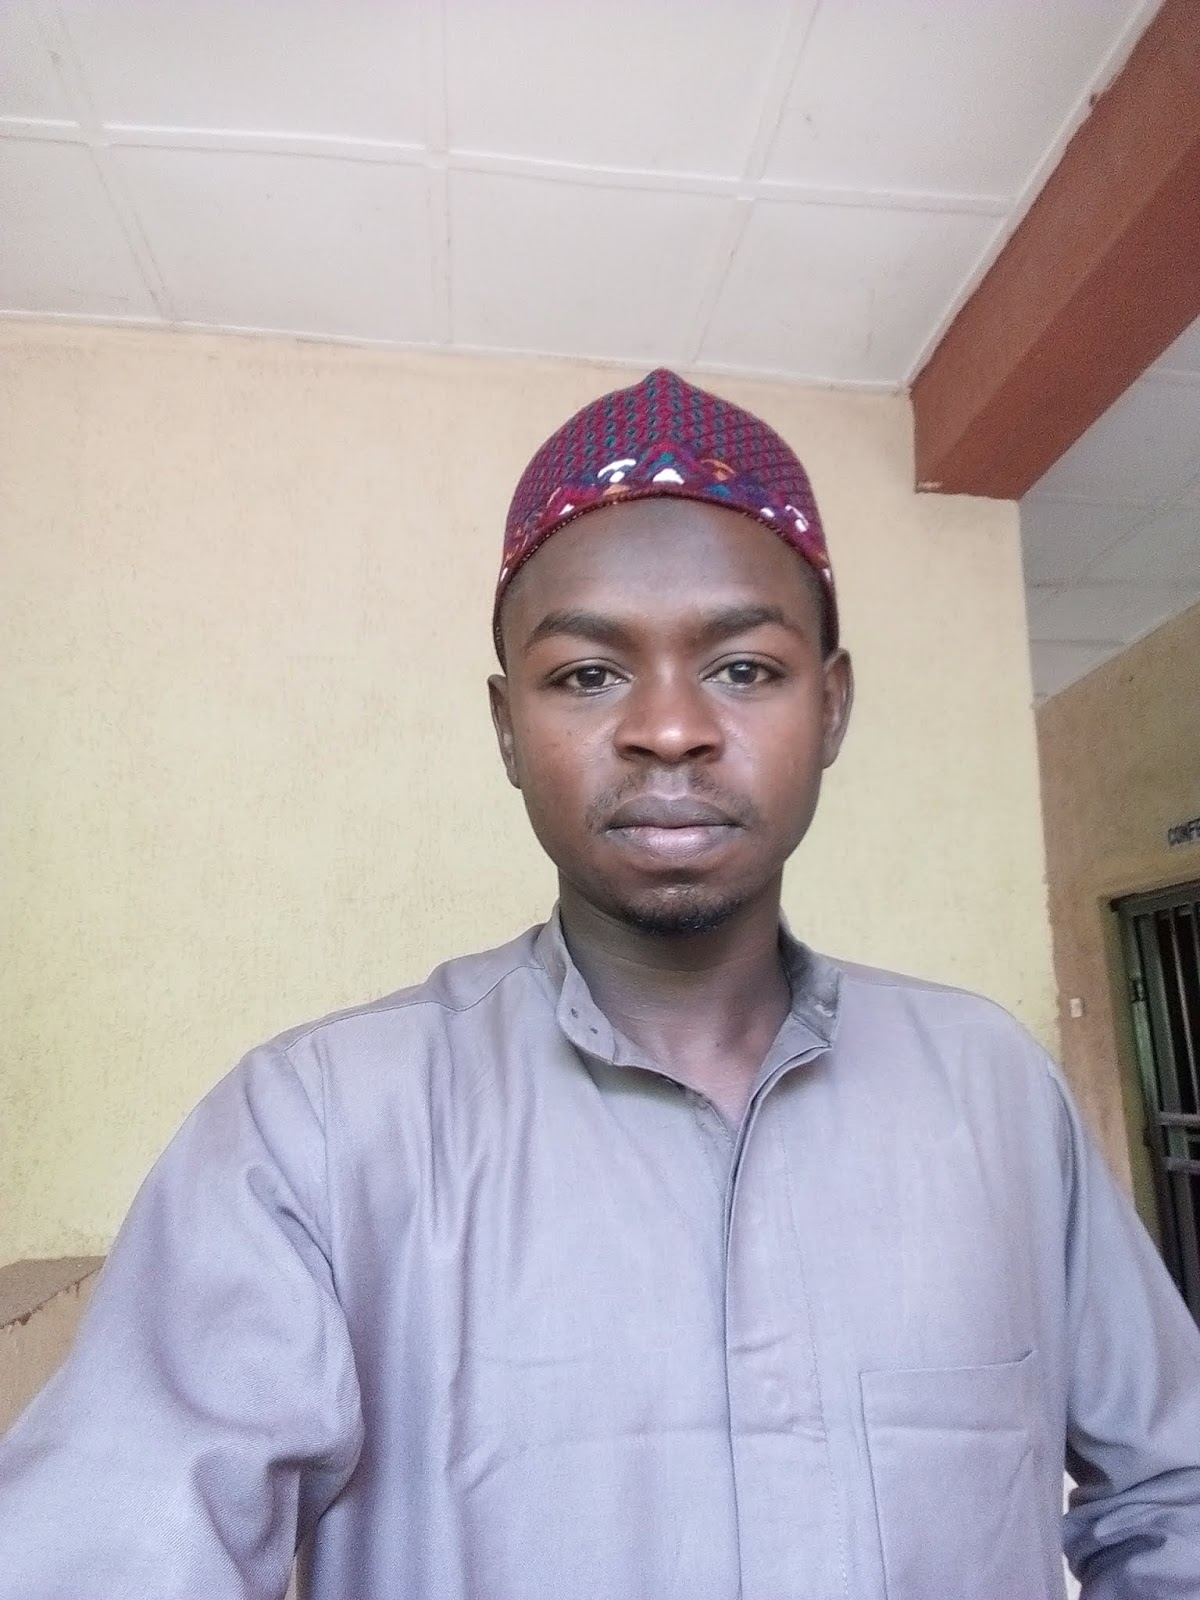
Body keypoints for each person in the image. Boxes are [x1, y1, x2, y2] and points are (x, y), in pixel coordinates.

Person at [1, 367, 1198, 1600]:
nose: (669, 728)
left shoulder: (993, 1092)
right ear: (507, 727)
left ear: (832, 707)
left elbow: (1176, 1495)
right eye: (587, 674)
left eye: (744, 668)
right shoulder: (314, 1133)